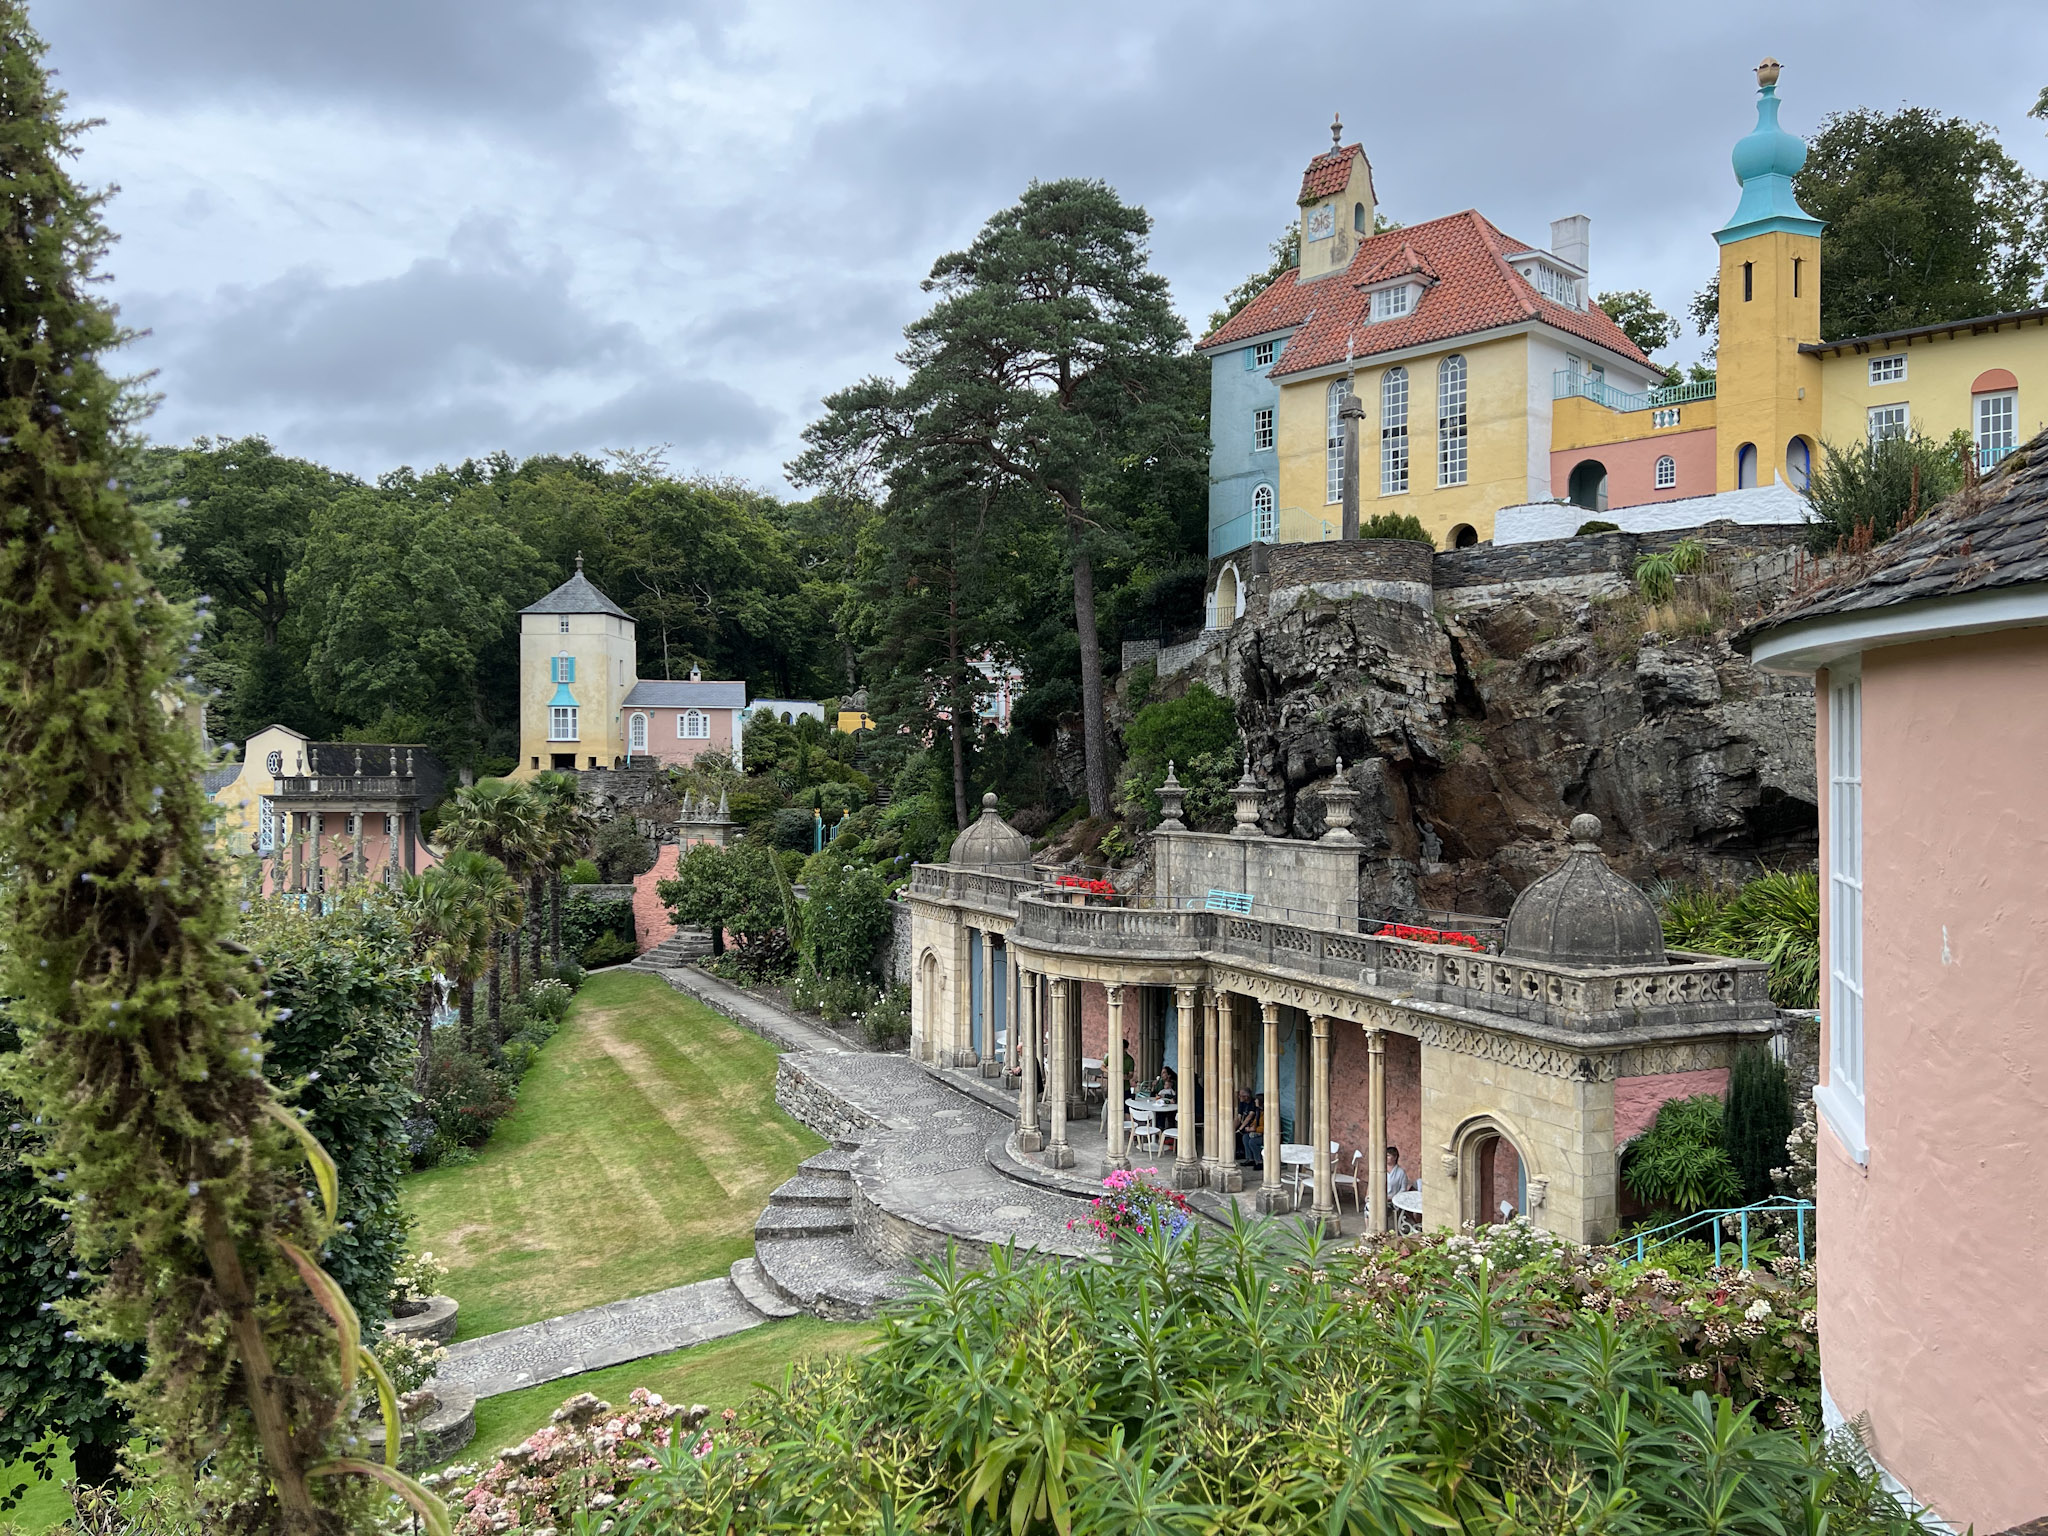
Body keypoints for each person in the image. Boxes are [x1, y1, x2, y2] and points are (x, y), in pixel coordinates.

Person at [1238, 1092, 1265, 1167]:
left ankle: (1259, 1161)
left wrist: (1254, 1129)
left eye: (1256, 1100)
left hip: (1265, 1135)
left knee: (1253, 1142)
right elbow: (1255, 1122)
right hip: (1258, 1133)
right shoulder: (1259, 1111)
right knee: (1245, 1137)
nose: (1255, 1101)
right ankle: (1250, 1159)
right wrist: (1250, 1127)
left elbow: (1266, 1127)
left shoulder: (1266, 1113)